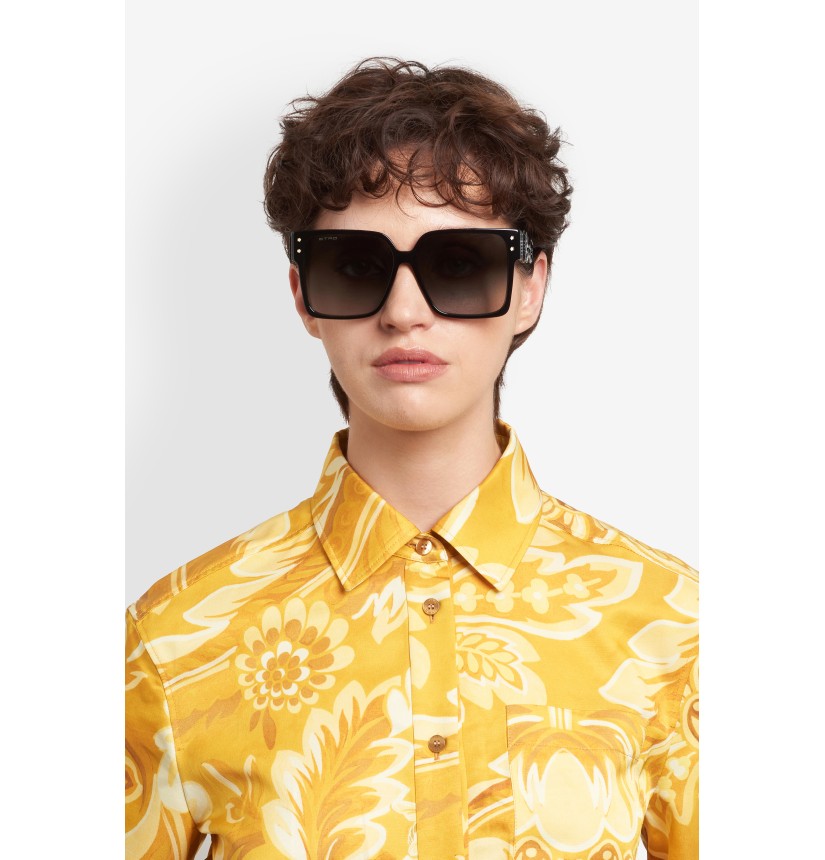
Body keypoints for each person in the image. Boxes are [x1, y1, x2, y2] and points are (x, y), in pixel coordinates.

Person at [125, 58, 698, 860]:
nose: (403, 311)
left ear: (530, 287)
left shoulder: (673, 627)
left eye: (457, 264)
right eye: (355, 266)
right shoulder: (175, 639)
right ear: (302, 294)